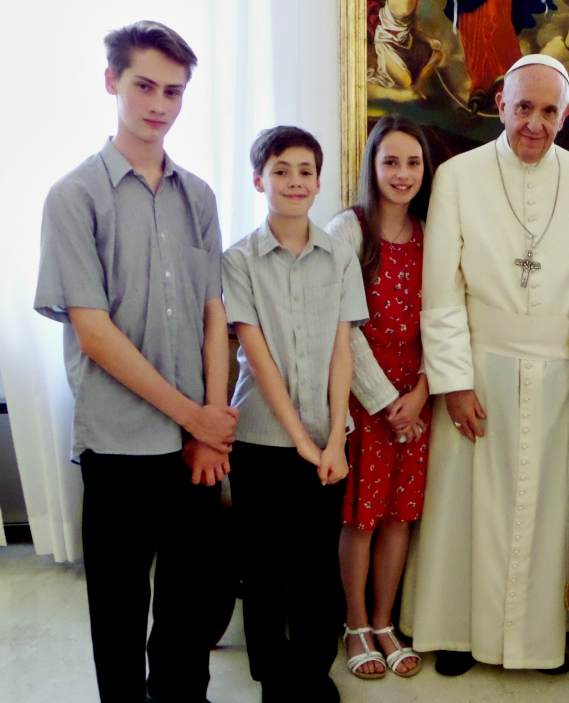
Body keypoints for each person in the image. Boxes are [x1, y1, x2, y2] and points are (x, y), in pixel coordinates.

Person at [401, 53, 569, 675]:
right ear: (500, 103)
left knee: (549, 506)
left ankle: (539, 638)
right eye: (523, 107)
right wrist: (452, 382)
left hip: (562, 371)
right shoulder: (459, 176)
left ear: (566, 114)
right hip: (480, 366)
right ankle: (454, 631)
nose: (534, 123)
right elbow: (441, 292)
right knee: (465, 505)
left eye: (549, 110)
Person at [33, 21, 235, 702]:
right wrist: (198, 420)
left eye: (174, 91)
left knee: (191, 608)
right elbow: (94, 332)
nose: (159, 103)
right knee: (118, 614)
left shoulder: (199, 196)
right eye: (145, 85)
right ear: (112, 81)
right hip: (119, 442)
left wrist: (204, 430)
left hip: (192, 444)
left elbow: (215, 317)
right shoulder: (73, 196)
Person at [222, 126, 368, 701]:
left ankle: (314, 670)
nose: (294, 181)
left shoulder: (339, 256)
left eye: (305, 171)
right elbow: (256, 359)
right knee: (263, 568)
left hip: (327, 441)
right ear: (260, 179)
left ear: (318, 181)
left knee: (315, 565)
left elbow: (342, 350)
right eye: (281, 170)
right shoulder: (238, 260)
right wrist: (302, 444)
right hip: (261, 439)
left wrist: (333, 439)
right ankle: (273, 676)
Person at [324, 115, 434, 680]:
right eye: (390, 161)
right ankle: (356, 623)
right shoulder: (348, 229)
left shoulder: (431, 230)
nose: (402, 173)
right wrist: (387, 399)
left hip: (418, 397)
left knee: (400, 515)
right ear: (372, 165)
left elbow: (444, 320)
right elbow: (342, 326)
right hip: (365, 394)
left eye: (412, 162)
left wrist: (419, 393)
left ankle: (387, 621)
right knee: (361, 518)